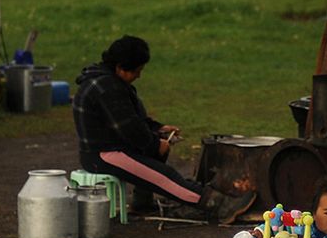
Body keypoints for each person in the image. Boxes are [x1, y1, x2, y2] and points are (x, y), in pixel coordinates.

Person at [72, 35, 255, 225]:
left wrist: (158, 129)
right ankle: (216, 205)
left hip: (112, 147)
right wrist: (154, 145)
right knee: (164, 176)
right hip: (103, 154)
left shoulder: (108, 81)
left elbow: (131, 119)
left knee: (158, 159)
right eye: (136, 71)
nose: (139, 76)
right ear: (120, 67)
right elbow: (130, 129)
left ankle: (143, 202)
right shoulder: (106, 88)